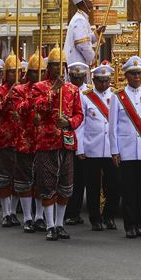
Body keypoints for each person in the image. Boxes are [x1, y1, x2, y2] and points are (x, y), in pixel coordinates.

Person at [31, 47, 83, 241]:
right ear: (48, 68)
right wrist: (53, 91)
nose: (58, 70)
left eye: (61, 66)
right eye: (54, 66)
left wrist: (70, 122)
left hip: (67, 142)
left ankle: (60, 224)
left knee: (66, 184)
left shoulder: (73, 89)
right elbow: (38, 108)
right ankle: (50, 225)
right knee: (47, 184)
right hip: (47, 142)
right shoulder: (40, 87)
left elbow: (79, 114)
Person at [109, 56, 141, 239]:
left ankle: (139, 223)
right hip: (126, 150)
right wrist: (114, 151)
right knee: (129, 190)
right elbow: (112, 126)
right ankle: (130, 225)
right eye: (133, 74)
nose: (137, 77)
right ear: (127, 76)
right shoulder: (118, 97)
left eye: (139, 73)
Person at [77, 62, 118, 231]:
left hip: (111, 149)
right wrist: (80, 148)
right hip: (92, 148)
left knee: (114, 185)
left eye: (106, 81)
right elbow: (81, 125)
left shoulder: (115, 96)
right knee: (92, 186)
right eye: (100, 81)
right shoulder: (85, 96)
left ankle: (109, 216)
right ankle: (95, 219)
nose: (103, 84)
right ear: (93, 80)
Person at [12, 52, 43, 233]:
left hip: (43, 141)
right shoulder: (19, 90)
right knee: (24, 181)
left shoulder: (50, 88)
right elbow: (19, 109)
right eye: (34, 72)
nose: (38, 75)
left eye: (42, 71)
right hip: (24, 140)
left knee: (41, 180)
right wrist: (34, 95)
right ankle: (27, 217)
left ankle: (39, 216)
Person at [0, 53, 20, 227]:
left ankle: (14, 212)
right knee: (3, 178)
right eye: (11, 72)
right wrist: (10, 93)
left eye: (17, 72)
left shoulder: (24, 90)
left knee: (18, 178)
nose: (14, 75)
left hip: (19, 138)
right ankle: (6, 212)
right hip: (3, 138)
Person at [65, 62, 89, 226]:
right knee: (67, 179)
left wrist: (82, 146)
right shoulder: (65, 91)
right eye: (75, 77)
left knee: (80, 180)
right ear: (70, 76)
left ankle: (75, 211)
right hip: (68, 140)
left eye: (81, 77)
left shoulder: (90, 93)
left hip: (86, 143)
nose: (78, 80)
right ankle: (66, 212)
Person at [63, 0, 97, 73]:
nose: (91, 1)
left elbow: (86, 38)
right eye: (88, 0)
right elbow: (82, 44)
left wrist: (97, 33)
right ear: (83, 3)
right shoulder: (79, 20)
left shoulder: (82, 18)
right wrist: (92, 57)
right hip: (77, 65)